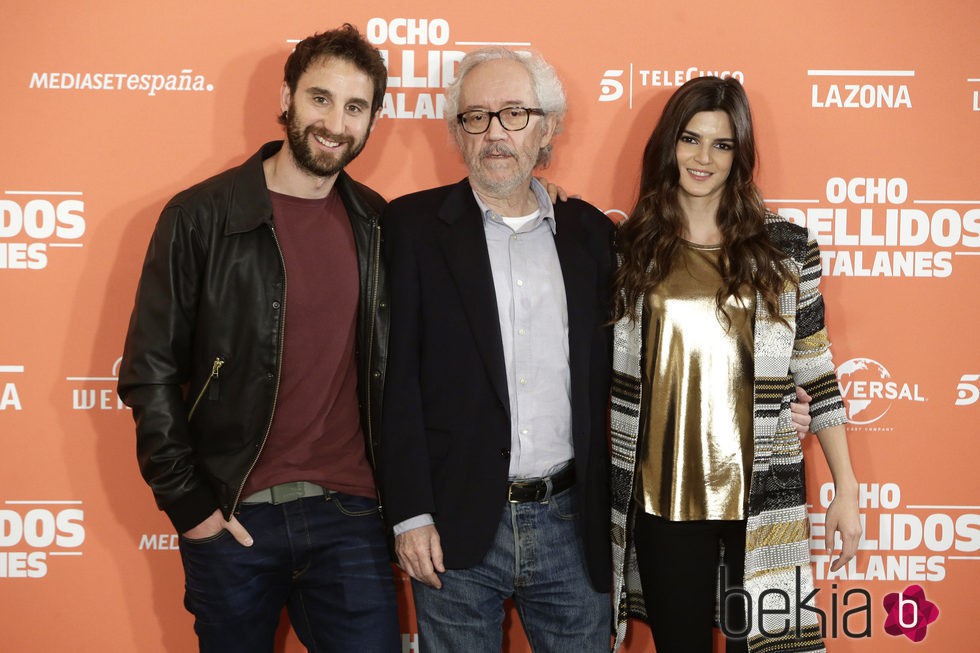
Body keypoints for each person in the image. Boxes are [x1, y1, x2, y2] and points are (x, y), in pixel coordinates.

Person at [117, 25, 401, 652]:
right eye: (320, 98)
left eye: (355, 107)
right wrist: (192, 509)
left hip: (350, 517)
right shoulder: (199, 218)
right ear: (288, 97)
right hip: (234, 514)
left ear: (373, 120)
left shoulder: (380, 224)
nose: (335, 123)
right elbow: (149, 372)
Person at [609, 76, 862, 653]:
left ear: (740, 154)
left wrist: (846, 488)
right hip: (662, 499)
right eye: (691, 139)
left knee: (770, 647)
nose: (703, 158)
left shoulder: (785, 249)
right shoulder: (628, 249)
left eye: (721, 145)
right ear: (669, 144)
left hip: (761, 497)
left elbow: (816, 373)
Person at [378, 48, 615, 651]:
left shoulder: (592, 236)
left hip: (570, 522)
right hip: (453, 525)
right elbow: (393, 382)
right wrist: (409, 514)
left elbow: (640, 365)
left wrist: (767, 399)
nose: (495, 133)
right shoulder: (409, 230)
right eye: (476, 117)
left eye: (514, 114)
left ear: (548, 127)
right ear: (458, 133)